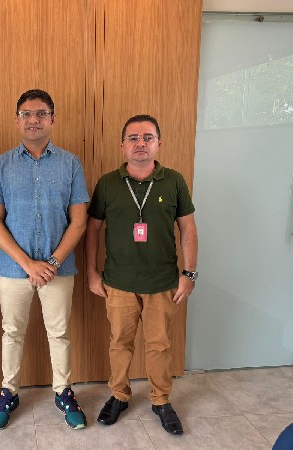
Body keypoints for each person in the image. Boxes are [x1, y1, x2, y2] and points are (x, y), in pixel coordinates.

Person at [0, 89, 89, 430]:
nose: (33, 120)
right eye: (26, 114)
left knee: (59, 333)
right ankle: (9, 392)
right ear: (17, 120)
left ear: (52, 119)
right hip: (14, 269)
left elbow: (79, 221)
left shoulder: (70, 163)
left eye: (41, 113)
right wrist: (28, 264)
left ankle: (63, 391)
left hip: (60, 268)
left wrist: (52, 262)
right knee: (12, 332)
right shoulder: (1, 165)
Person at [85, 114, 198, 435]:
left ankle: (161, 400)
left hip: (162, 283)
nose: (140, 143)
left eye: (147, 137)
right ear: (122, 146)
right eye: (133, 138)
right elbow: (92, 229)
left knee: (159, 345)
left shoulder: (174, 181)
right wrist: (92, 272)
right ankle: (119, 395)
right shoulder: (108, 183)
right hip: (117, 282)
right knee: (119, 342)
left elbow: (188, 228)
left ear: (158, 144)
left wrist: (189, 273)